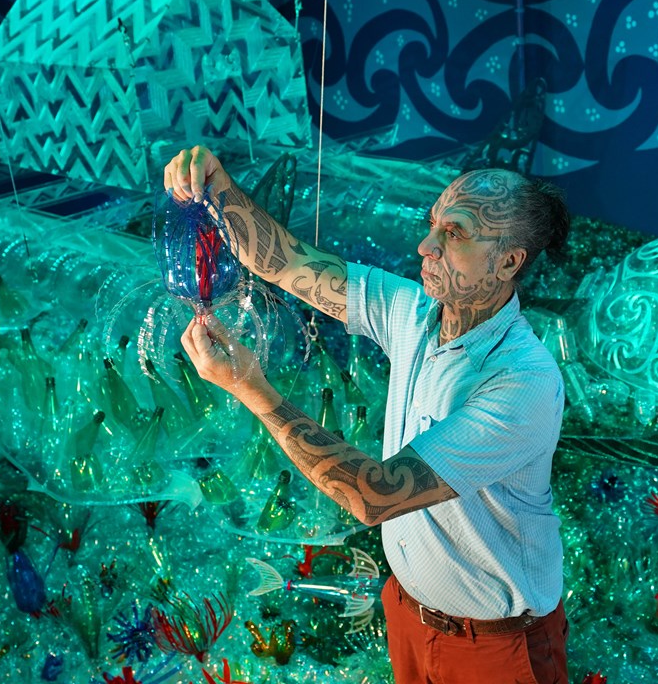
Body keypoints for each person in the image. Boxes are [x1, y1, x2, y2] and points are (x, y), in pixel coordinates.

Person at [164, 145, 571, 683]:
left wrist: (253, 388)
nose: (426, 245)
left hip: (493, 648)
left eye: (455, 234)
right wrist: (217, 189)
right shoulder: (412, 311)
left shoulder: (523, 381)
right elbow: (284, 262)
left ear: (510, 261)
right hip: (406, 613)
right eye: (433, 224)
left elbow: (375, 494)